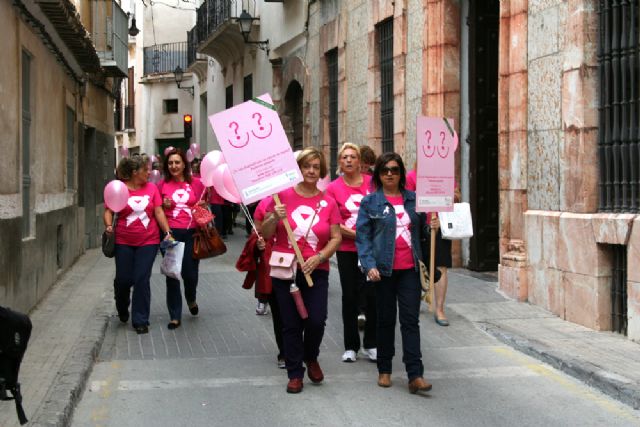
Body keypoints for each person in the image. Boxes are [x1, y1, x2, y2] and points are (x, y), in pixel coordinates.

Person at [260, 147, 342, 394]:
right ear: (298, 169)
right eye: (307, 166)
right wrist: (273, 217)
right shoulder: (281, 197)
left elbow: (336, 238)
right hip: (286, 269)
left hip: (316, 269)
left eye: (316, 167)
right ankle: (295, 373)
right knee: (290, 323)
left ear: (321, 172)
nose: (311, 170)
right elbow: (265, 235)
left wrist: (318, 258)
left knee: (317, 320)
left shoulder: (328, 202)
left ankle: (311, 356)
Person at [355, 152, 432, 394]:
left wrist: (433, 226)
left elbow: (423, 234)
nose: (390, 173)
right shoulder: (370, 203)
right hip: (383, 272)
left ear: (401, 173)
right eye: (385, 170)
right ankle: (385, 369)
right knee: (386, 320)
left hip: (410, 269)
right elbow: (363, 238)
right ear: (378, 174)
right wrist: (369, 265)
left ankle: (415, 374)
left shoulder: (415, 200)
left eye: (395, 169)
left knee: (411, 321)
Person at [103, 155, 172, 334]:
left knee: (142, 278)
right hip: (123, 241)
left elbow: (158, 211)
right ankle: (122, 306)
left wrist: (167, 231)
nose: (149, 172)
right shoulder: (120, 189)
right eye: (145, 170)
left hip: (148, 241)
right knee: (123, 280)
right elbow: (109, 211)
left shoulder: (152, 189)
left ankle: (140, 319)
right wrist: (109, 226)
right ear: (135, 172)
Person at [325, 143, 376, 363]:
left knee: (373, 296)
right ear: (340, 162)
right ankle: (351, 346)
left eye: (352, 156)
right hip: (347, 249)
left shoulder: (372, 183)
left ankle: (371, 344)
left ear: (359, 161)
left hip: (371, 250)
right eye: (344, 157)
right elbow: (332, 222)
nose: (348, 160)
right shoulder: (333, 188)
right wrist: (358, 236)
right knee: (350, 297)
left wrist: (367, 236)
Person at [157, 148, 207, 329]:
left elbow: (204, 202)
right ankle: (175, 315)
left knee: (189, 274)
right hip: (170, 234)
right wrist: (163, 204)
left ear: (184, 164)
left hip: (192, 233)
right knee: (172, 275)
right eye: (170, 163)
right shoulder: (161, 185)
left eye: (177, 162)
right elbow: (157, 210)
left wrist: (202, 205)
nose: (173, 166)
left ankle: (191, 297)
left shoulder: (196, 183)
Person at [405, 163, 459, 326]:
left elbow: (457, 196)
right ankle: (413, 303)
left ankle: (440, 309)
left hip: (439, 227)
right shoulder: (411, 177)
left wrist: (445, 194)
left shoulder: (445, 175)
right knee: (416, 267)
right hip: (417, 229)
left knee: (441, 268)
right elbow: (406, 199)